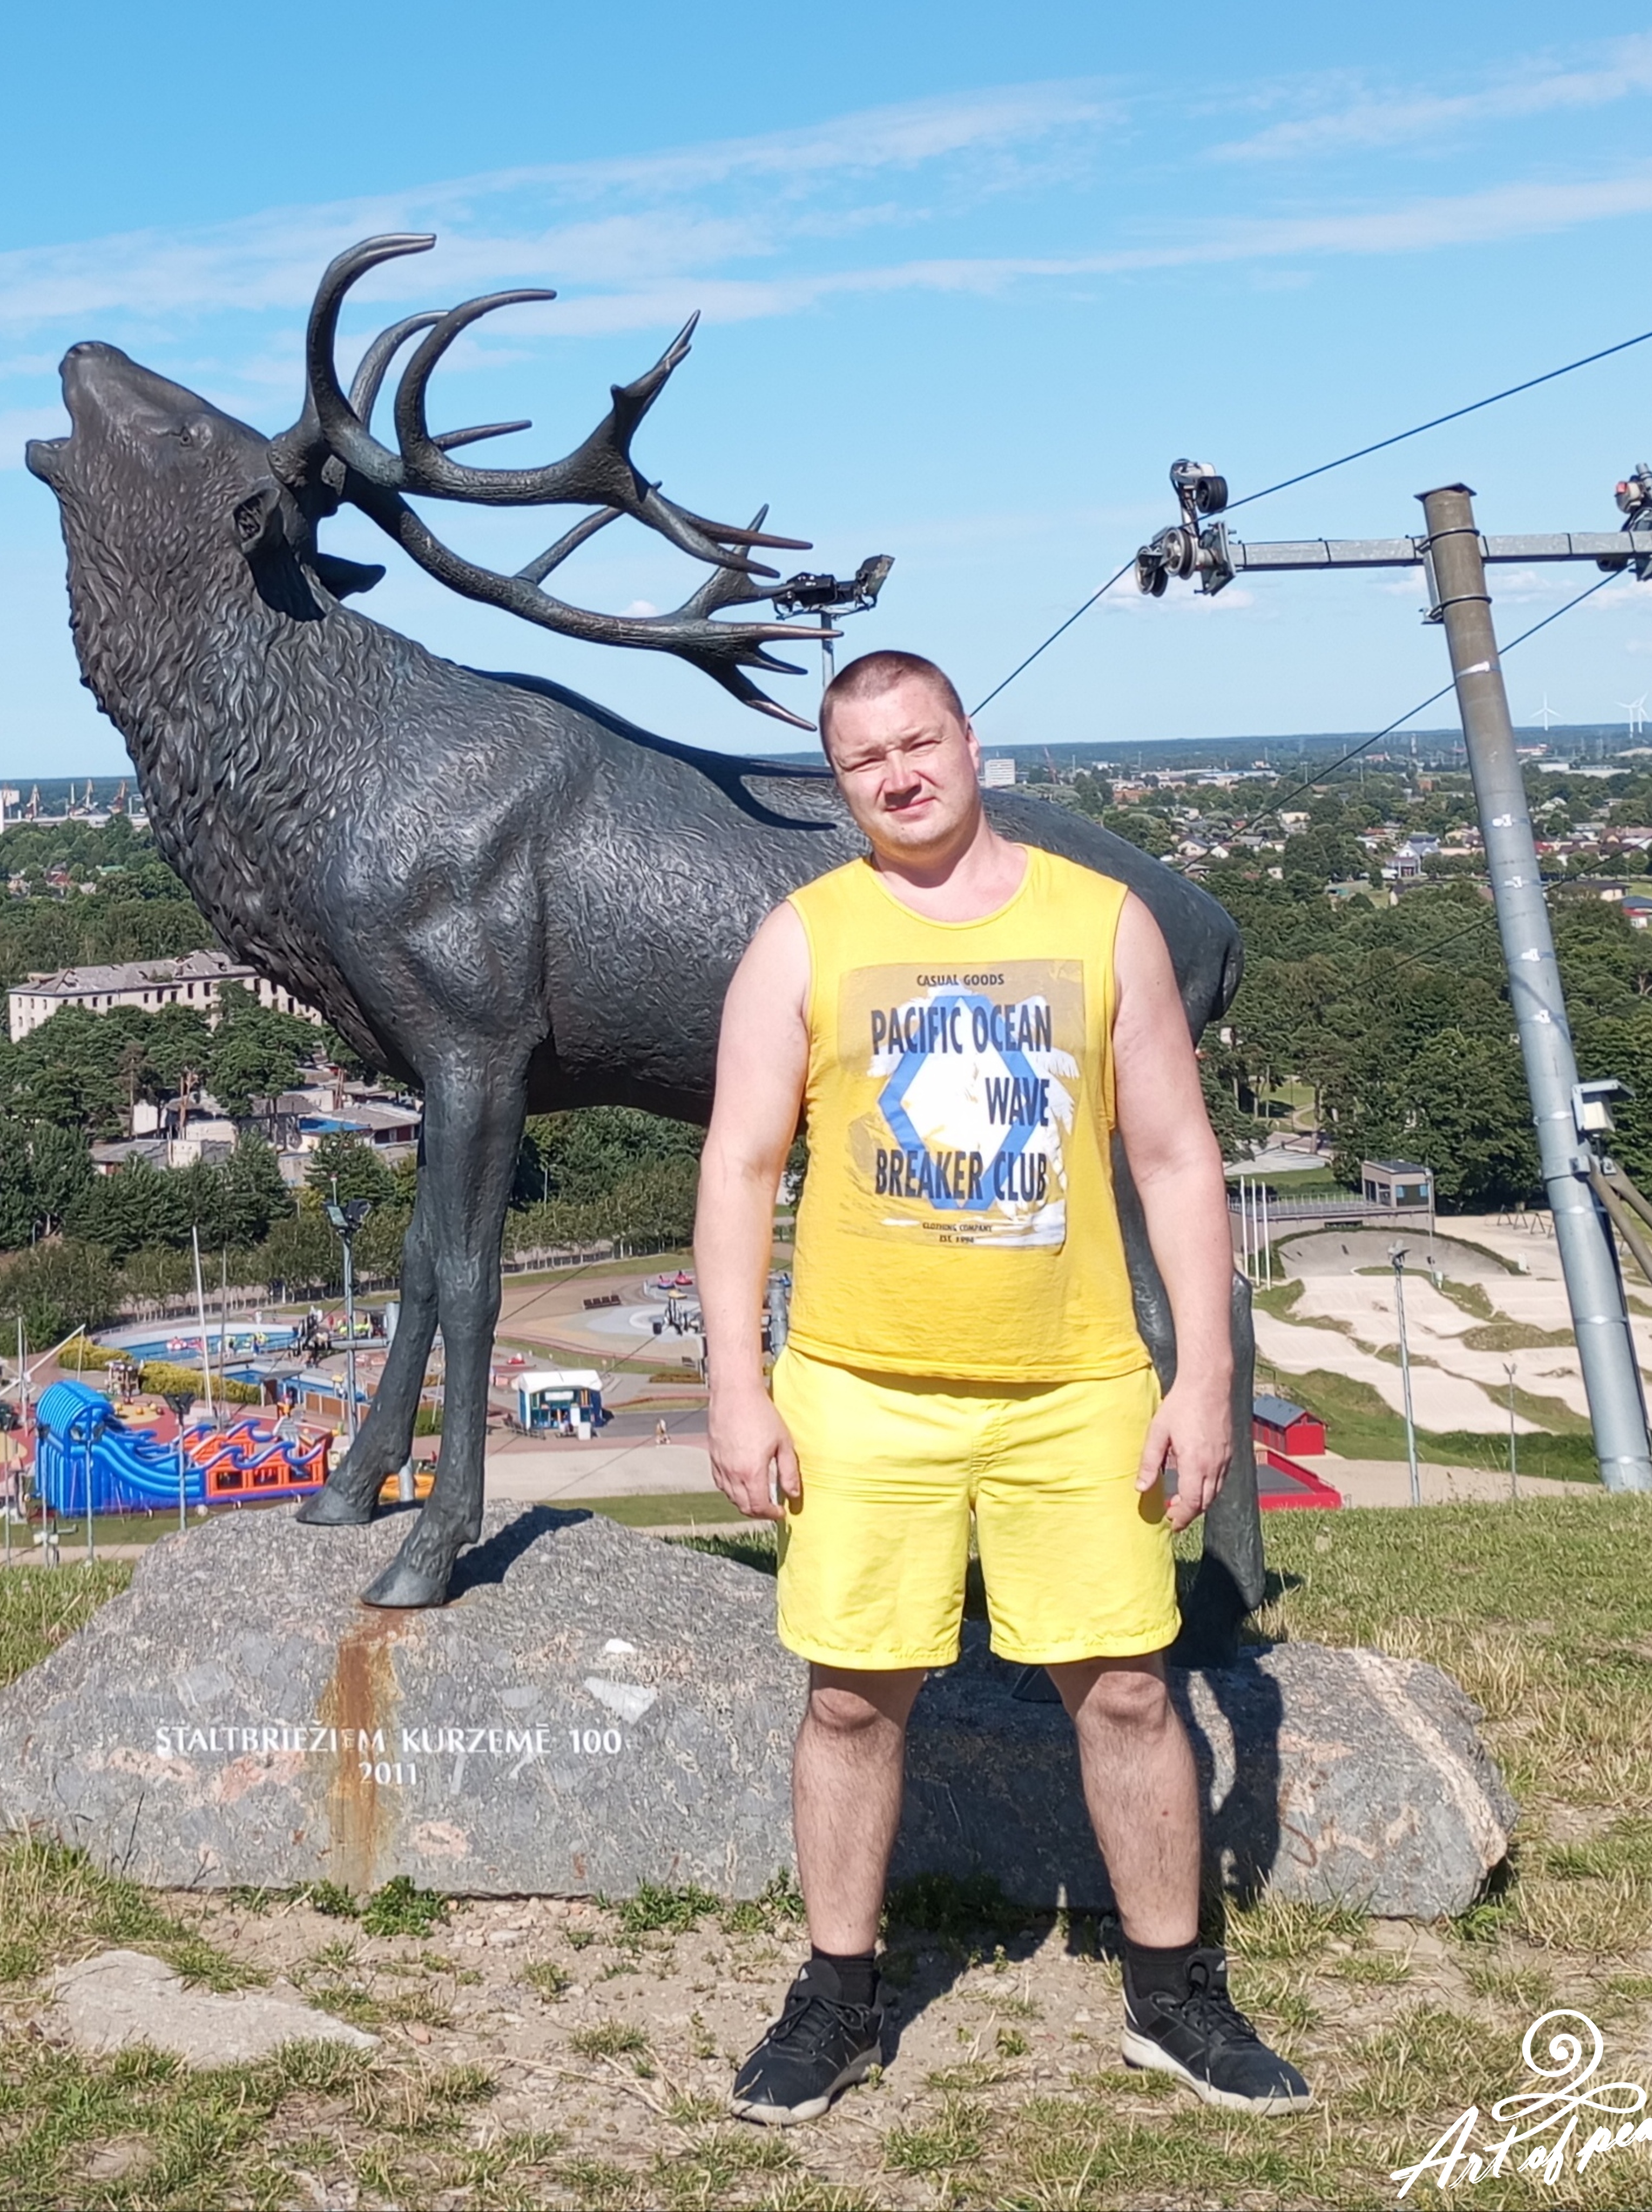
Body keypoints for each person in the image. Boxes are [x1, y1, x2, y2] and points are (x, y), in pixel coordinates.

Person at [695, 650, 1309, 2127]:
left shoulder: (1102, 922)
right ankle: (838, 1998)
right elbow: (739, 1163)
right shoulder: (801, 938)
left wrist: (1205, 1376)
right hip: (859, 1390)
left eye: (919, 743)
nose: (899, 775)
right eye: (864, 760)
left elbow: (1176, 1156)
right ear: (839, 787)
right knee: (852, 1702)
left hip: (1076, 1385)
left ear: (971, 743)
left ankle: (1174, 1997)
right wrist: (735, 1383)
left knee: (1129, 1690)